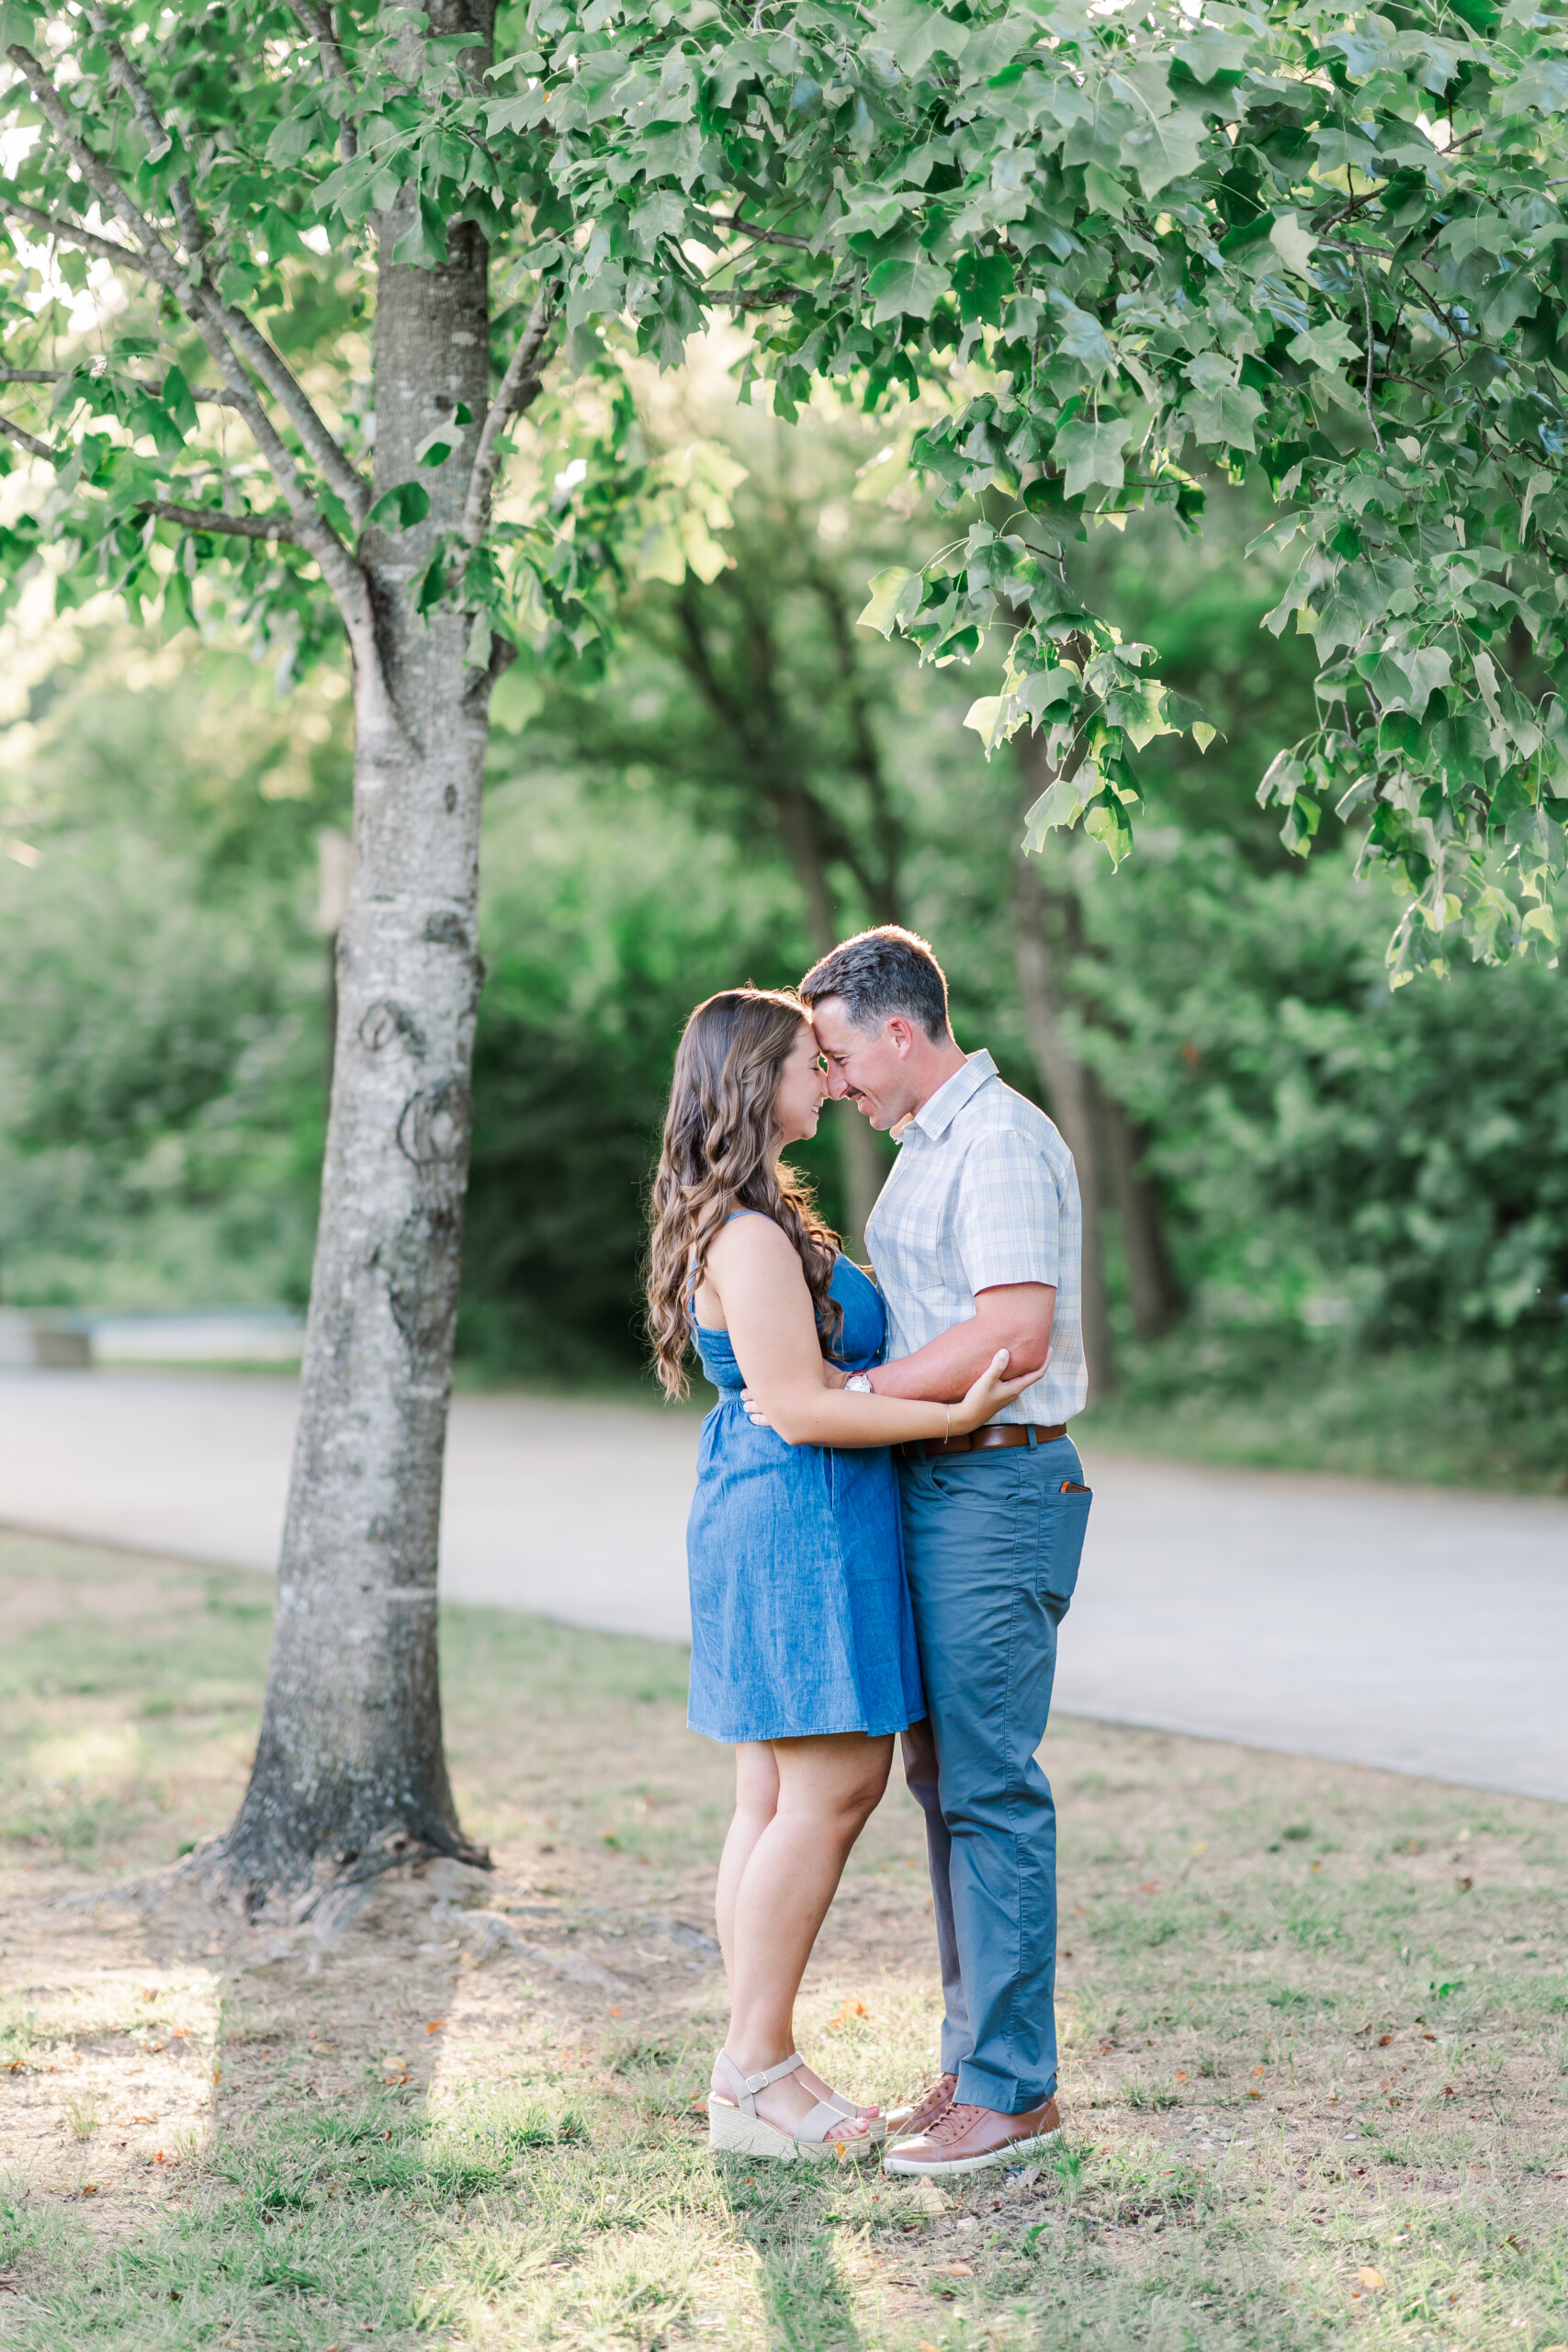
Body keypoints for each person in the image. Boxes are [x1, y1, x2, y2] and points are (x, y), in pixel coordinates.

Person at [646, 986, 1040, 2165]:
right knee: (828, 1792)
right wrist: (952, 1402)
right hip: (799, 1520)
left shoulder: (762, 1217)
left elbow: (805, 1397)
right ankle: (753, 2072)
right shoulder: (753, 1236)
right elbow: (807, 1410)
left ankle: (759, 2066)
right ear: (757, 1081)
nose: (829, 1077)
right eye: (809, 1063)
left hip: (790, 1510)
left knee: (773, 1799)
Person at [788, 925, 1092, 2181]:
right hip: (937, 1480)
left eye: (839, 1052)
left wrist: (843, 1385)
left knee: (986, 1790)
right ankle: (976, 2068)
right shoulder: (928, 1151)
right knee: (942, 1785)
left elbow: (1010, 1336)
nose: (834, 1080)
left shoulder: (1003, 1141)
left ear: (898, 1029)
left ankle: (1011, 2090)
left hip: (996, 1479)